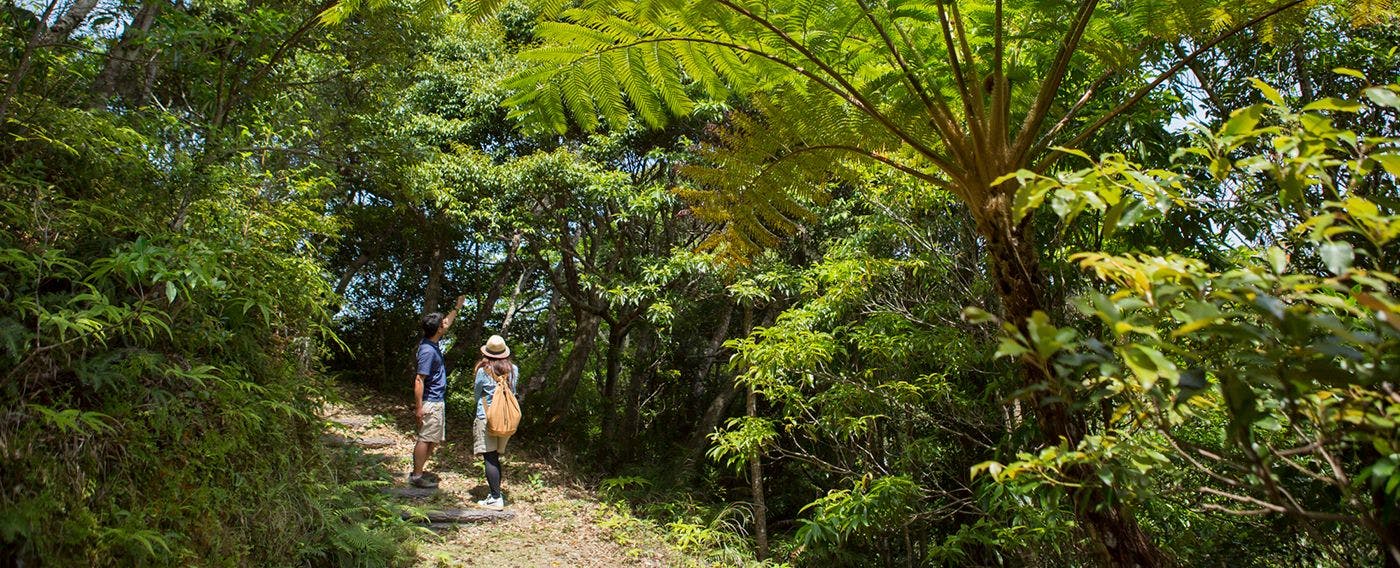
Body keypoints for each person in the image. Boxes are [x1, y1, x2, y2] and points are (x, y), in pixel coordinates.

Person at [409, 295, 466, 489]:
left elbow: (447, 323)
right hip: (430, 401)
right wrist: (419, 407)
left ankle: (419, 471)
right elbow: (419, 379)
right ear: (438, 329)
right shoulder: (427, 351)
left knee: (432, 439)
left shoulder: (432, 342)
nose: (445, 324)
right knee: (426, 438)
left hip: (436, 400)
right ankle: (417, 476)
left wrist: (457, 307)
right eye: (442, 323)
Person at [473, 334, 518, 510]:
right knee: (496, 456)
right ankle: (496, 492)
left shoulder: (482, 371)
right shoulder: (513, 369)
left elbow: (477, 394)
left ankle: (496, 497)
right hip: (506, 419)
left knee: (489, 457)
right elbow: (513, 391)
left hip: (486, 417)